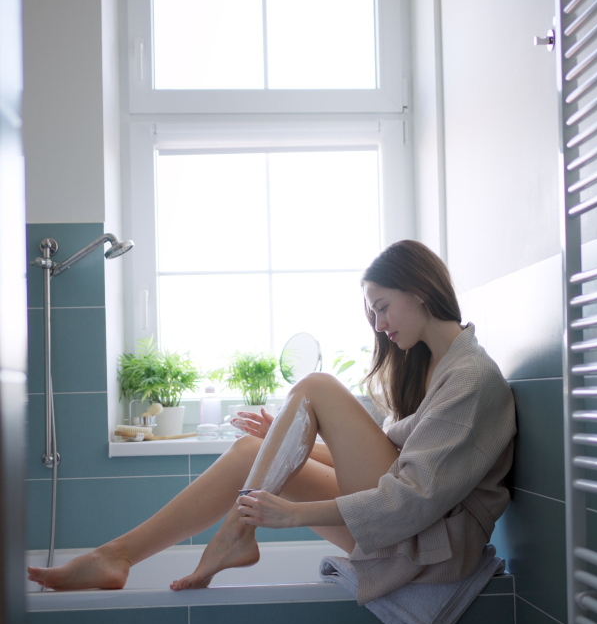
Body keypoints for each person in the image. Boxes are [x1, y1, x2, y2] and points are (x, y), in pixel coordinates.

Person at [28, 240, 516, 599]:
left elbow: (411, 498)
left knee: (318, 385)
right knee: (249, 452)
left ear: (422, 290)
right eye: (373, 316)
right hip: (405, 528)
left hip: (427, 546)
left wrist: (293, 514)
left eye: (383, 308)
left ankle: (234, 535)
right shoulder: (431, 367)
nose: (381, 327)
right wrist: (289, 441)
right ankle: (117, 555)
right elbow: (401, 459)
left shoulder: (471, 378)